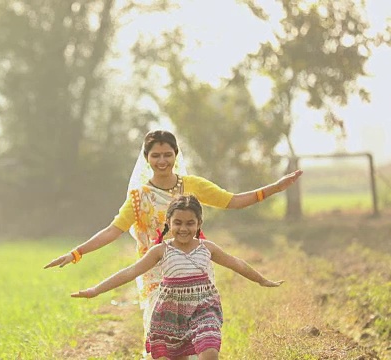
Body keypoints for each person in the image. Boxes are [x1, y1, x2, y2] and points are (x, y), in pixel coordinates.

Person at [44, 130, 301, 338]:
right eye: (156, 155)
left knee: (194, 334)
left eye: (168, 154)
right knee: (162, 336)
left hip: (193, 266)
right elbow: (113, 230)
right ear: (147, 158)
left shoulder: (193, 185)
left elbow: (233, 201)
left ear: (176, 156)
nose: (162, 160)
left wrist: (275, 188)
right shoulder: (139, 197)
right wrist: (76, 253)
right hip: (157, 270)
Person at [71, 195, 284, 360]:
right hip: (171, 314)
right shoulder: (160, 251)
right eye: (178, 223)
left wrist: (261, 279)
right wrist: (96, 290)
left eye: (190, 223)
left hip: (203, 309)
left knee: (210, 351)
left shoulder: (207, 248)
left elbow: (236, 263)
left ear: (199, 223)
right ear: (169, 223)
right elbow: (130, 272)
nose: (184, 228)